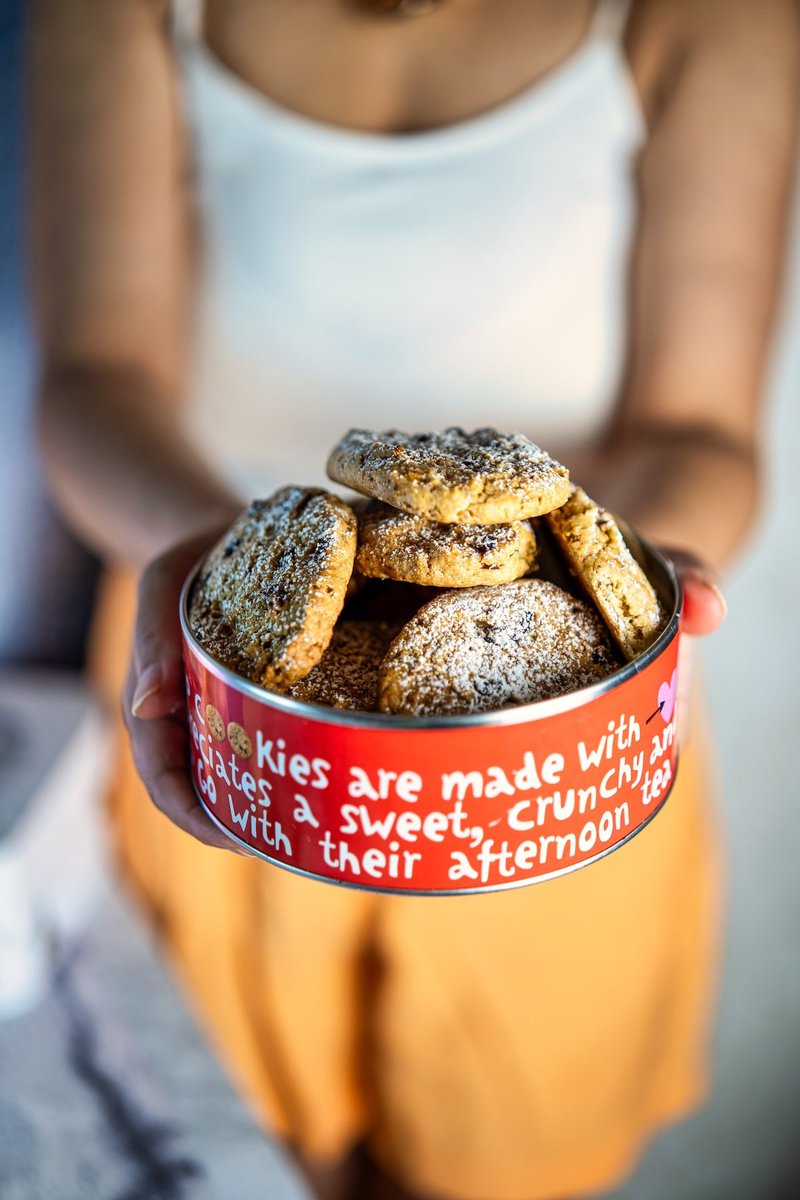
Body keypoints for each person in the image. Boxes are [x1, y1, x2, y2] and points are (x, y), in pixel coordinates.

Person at [29, 1, 799, 1197]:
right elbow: (93, 380)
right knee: (244, 1155)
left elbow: (697, 429)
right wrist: (196, 552)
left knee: (503, 1154)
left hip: (546, 745)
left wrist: (619, 573)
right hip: (240, 705)